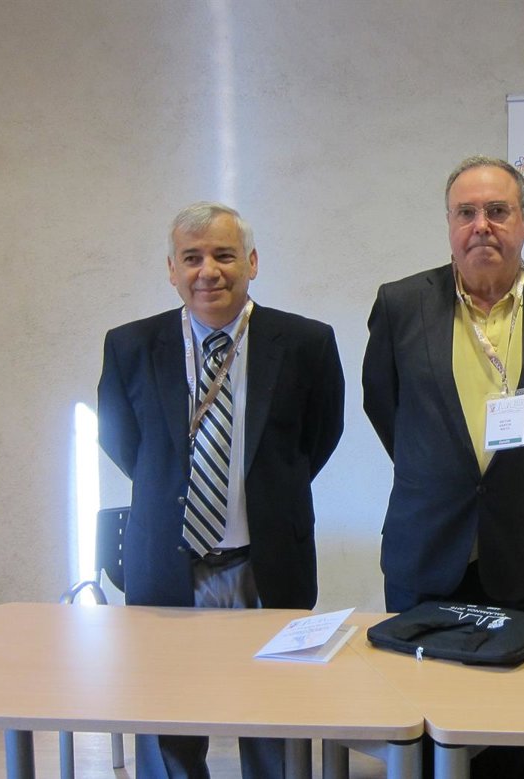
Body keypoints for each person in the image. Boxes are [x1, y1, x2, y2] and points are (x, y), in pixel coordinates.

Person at [362, 156, 524, 778]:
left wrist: (518, 474)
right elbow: (382, 404)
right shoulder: (400, 304)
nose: (482, 226)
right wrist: (442, 470)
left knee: (511, 730)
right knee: (420, 721)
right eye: (466, 213)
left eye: (498, 211)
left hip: (521, 547)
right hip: (426, 545)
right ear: (448, 224)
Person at [97, 201, 344, 779]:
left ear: (252, 263)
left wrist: (266, 492)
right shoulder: (130, 345)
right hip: (168, 564)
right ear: (172, 270)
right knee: (169, 726)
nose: (208, 271)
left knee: (274, 723)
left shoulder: (305, 342)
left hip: (267, 563)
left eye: (224, 255)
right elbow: (123, 441)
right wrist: (173, 490)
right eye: (192, 258)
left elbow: (319, 436)